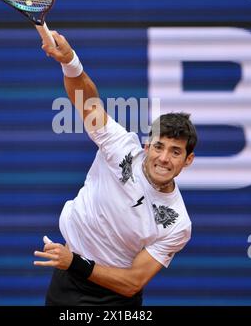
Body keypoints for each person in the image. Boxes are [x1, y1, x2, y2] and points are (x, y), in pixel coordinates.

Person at [34, 31, 198, 306]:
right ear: (147, 146)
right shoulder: (121, 146)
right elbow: (88, 105)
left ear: (187, 160)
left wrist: (75, 262)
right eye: (159, 147)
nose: (164, 158)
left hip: (114, 299)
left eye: (176, 152)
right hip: (66, 282)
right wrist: (70, 61)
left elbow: (132, 282)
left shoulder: (178, 224)